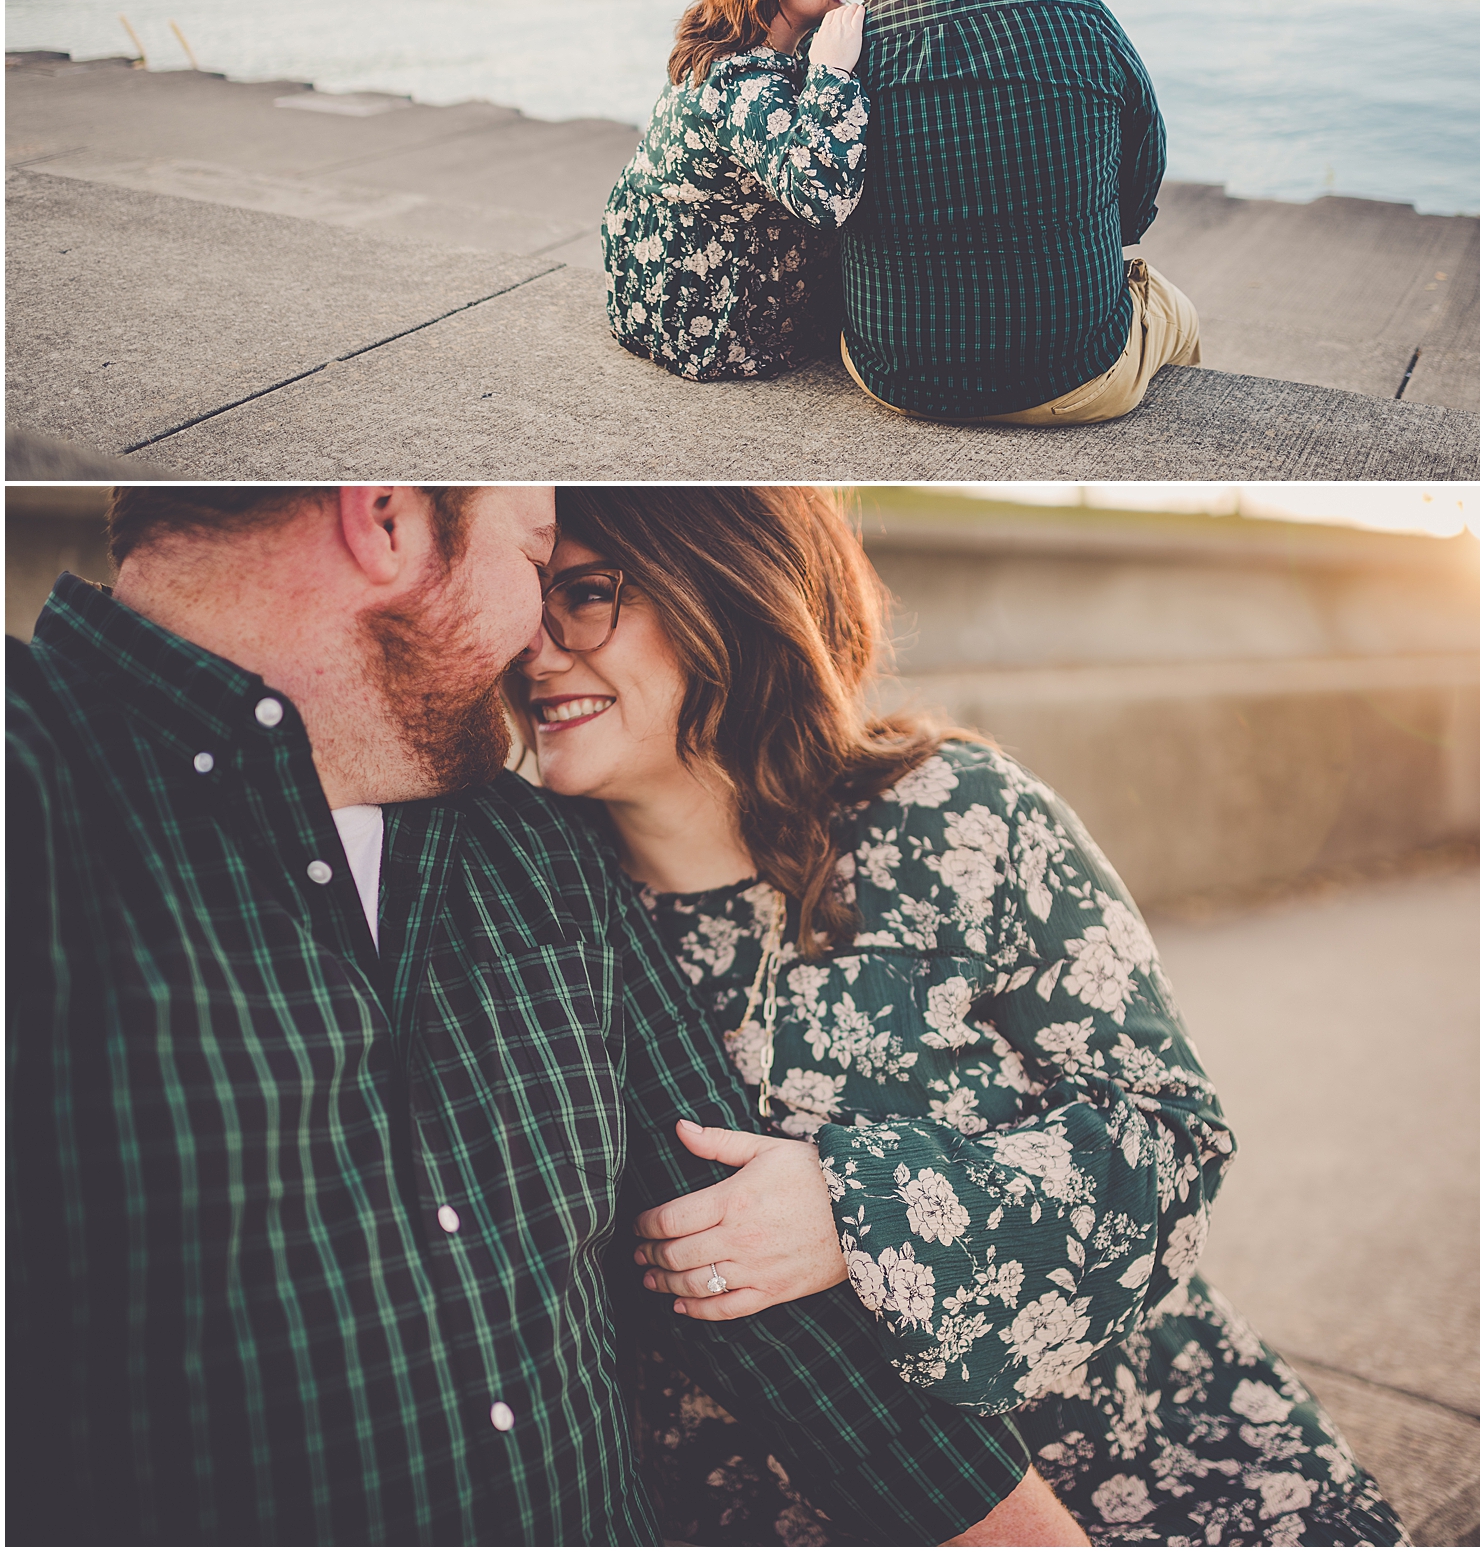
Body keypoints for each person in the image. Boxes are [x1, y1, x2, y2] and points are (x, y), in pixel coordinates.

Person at [6, 483, 1086, 1548]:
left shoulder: (530, 845)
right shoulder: (37, 796)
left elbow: (746, 1282)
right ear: (383, 518)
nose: (536, 642)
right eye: (531, 563)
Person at [511, 486, 1412, 1549]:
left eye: (585, 593)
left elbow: (1171, 1139)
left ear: (726, 584)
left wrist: (858, 1208)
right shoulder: (533, 916)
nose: (534, 647)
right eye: (526, 597)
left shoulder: (957, 816)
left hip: (1140, 1456)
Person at [835, 0, 1202, 425]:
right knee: (1179, 314)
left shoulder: (843, 56)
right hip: (1076, 373)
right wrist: (1104, 236)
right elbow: (1144, 163)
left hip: (899, 375)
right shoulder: (1079, 16)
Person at [603, 0, 869, 380]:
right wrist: (833, 74)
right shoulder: (739, 79)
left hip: (651, 280)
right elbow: (825, 200)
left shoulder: (746, 42)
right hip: (704, 317)